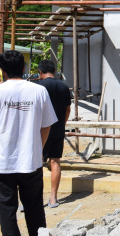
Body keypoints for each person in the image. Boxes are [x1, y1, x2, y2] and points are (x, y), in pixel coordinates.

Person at [0, 50, 57, 236]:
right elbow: (47, 125)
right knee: (35, 209)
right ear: (23, 68)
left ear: (2, 70)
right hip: (30, 161)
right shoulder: (39, 90)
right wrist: (38, 148)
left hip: (2, 164)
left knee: (7, 212)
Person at [34, 59, 71, 208]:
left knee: (36, 164)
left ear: (40, 72)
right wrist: (62, 123)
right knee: (55, 161)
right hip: (58, 129)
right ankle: (53, 198)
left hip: (41, 129)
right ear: (54, 71)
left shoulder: (38, 87)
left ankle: (33, 200)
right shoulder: (64, 86)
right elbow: (68, 109)